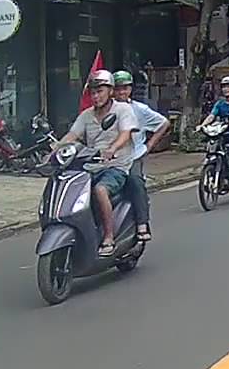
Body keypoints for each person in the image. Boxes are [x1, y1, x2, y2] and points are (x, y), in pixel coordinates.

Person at [55, 69, 137, 257]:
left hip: (116, 166)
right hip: (91, 166)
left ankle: (109, 236)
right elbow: (72, 135)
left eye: (100, 91)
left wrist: (113, 148)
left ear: (110, 91)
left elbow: (126, 133)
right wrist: (55, 149)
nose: (96, 96)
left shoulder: (122, 110)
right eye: (93, 93)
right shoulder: (86, 115)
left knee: (100, 190)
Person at [113, 70, 169, 242]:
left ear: (130, 89)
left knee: (135, 182)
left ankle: (142, 223)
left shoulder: (140, 109)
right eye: (118, 89)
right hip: (109, 158)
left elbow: (163, 123)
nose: (121, 92)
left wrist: (149, 146)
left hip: (133, 156)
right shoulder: (106, 109)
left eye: (125, 88)